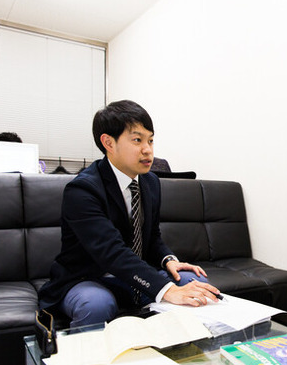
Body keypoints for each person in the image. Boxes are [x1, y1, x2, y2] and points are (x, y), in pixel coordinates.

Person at [38, 100, 221, 327]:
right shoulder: (83, 190)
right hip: (89, 277)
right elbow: (111, 252)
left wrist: (169, 260)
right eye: (137, 140)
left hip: (133, 275)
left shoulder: (150, 182)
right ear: (108, 143)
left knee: (193, 281)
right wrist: (166, 290)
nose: (148, 150)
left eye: (150, 140)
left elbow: (152, 237)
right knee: (96, 304)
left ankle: (181, 346)